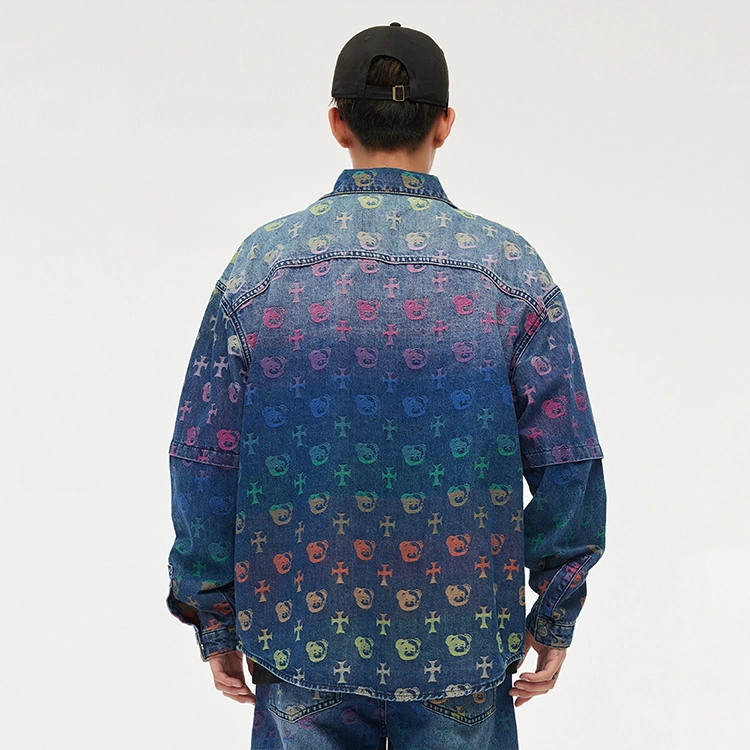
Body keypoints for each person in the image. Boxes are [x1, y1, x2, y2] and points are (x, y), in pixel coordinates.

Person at [167, 22, 606, 750]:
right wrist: (555, 608)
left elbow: (204, 455)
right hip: (461, 642)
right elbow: (567, 459)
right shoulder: (511, 271)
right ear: (445, 123)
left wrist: (213, 613)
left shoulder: (262, 266)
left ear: (337, 123)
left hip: (301, 634)